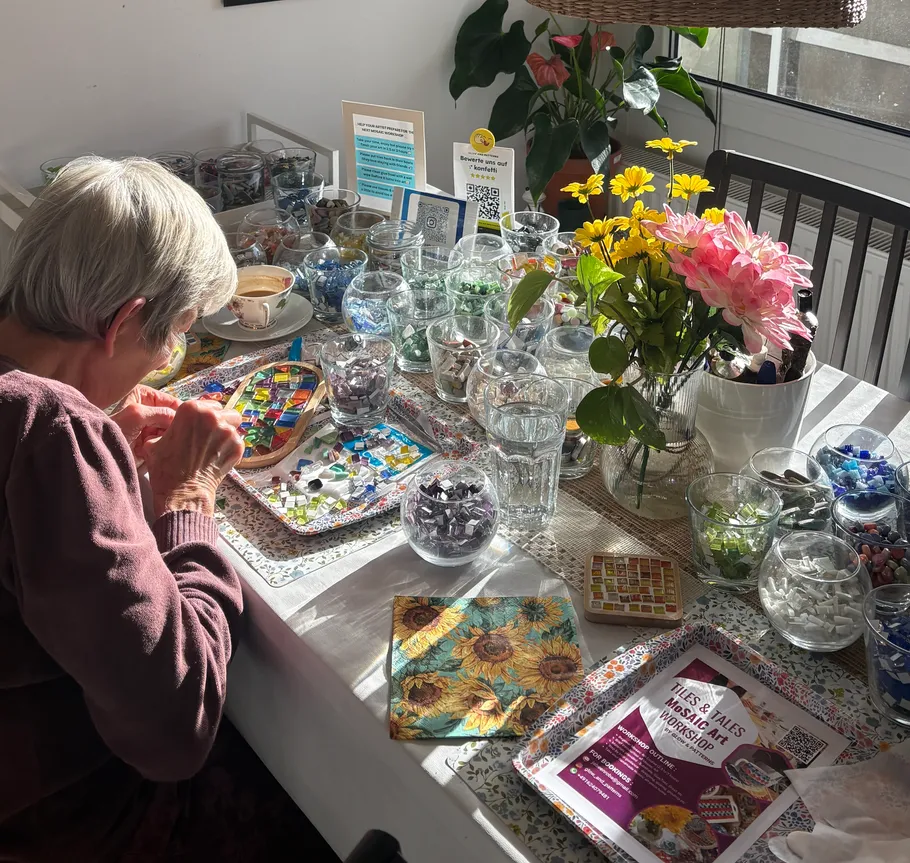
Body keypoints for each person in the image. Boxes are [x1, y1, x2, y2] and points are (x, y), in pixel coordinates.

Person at [0, 158, 338, 861]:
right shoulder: (50, 432)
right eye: (174, 335)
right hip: (81, 826)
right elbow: (174, 728)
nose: (169, 358)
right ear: (122, 322)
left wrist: (108, 469)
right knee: (324, 778)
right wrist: (187, 497)